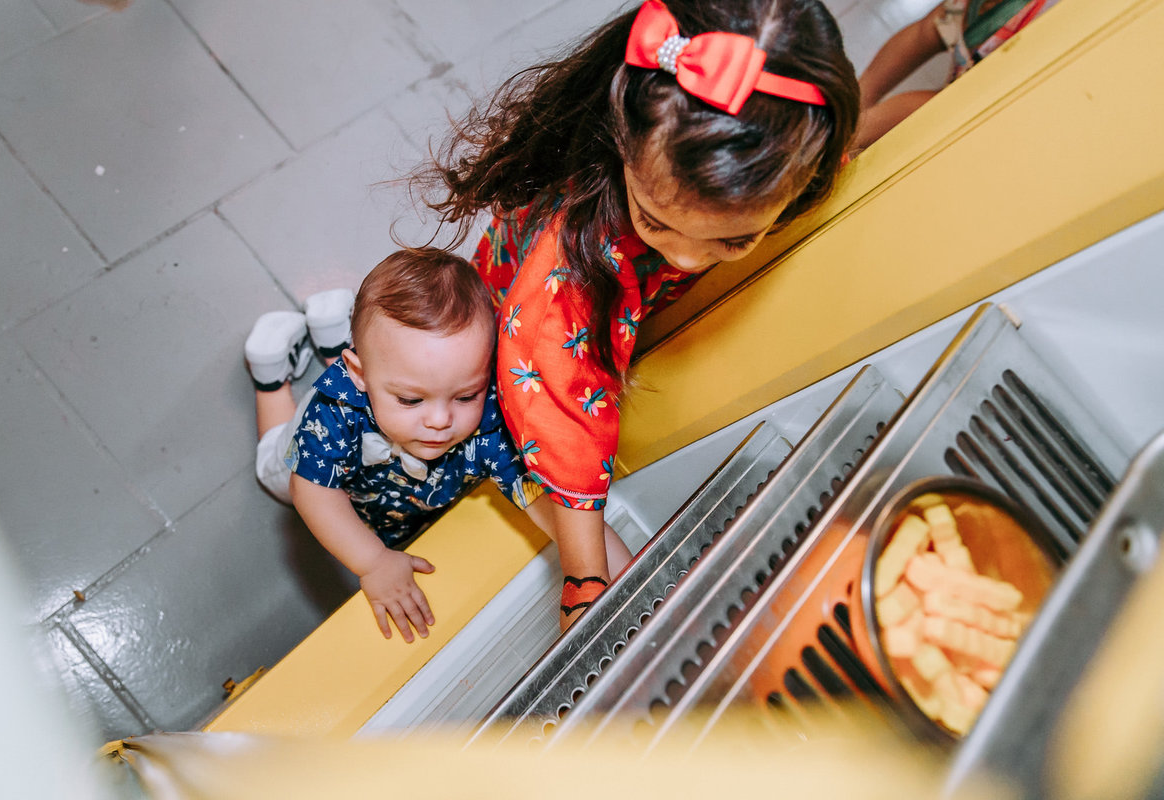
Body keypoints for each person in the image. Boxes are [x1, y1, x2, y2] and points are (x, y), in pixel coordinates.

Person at [417, 0, 859, 629]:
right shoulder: (566, 263)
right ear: (619, 140)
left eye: (732, 241)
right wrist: (583, 579)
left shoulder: (791, 167)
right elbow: (560, 411)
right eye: (653, 219)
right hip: (517, 347)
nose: (681, 253)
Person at [245, 248, 570, 643]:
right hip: (315, 448)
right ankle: (269, 373)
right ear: (358, 375)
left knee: (394, 370)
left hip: (381, 427)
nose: (440, 420)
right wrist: (374, 562)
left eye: (465, 395)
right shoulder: (330, 413)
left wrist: (596, 566)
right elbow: (309, 491)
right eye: (412, 400)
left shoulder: (489, 423)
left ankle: (334, 336)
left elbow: (557, 508)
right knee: (272, 469)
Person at [854, 0, 1060, 150]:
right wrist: (855, 99)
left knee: (948, 99)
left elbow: (949, 100)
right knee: (931, 29)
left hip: (987, 90)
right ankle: (852, 107)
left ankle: (852, 131)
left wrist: (858, 130)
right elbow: (925, 34)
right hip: (979, 27)